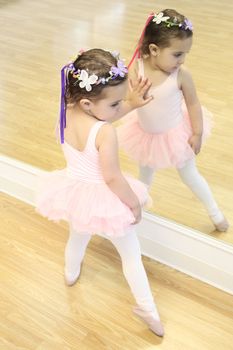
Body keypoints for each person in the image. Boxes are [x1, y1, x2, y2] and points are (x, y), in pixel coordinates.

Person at [36, 48, 164, 336]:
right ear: (88, 102)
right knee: (131, 255)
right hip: (105, 196)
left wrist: (130, 103)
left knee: (77, 236)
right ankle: (148, 308)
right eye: (116, 103)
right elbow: (113, 177)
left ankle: (70, 273)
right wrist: (133, 205)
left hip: (75, 192)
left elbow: (102, 114)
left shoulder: (65, 112)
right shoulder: (106, 132)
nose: (121, 107)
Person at [118, 9, 228, 232]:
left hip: (176, 136)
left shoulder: (181, 74)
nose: (182, 60)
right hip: (145, 135)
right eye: (177, 54)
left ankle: (215, 212)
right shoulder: (136, 69)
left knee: (190, 176)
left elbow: (193, 103)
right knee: (144, 177)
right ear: (154, 50)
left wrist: (196, 133)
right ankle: (138, 209)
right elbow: (125, 98)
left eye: (185, 54)